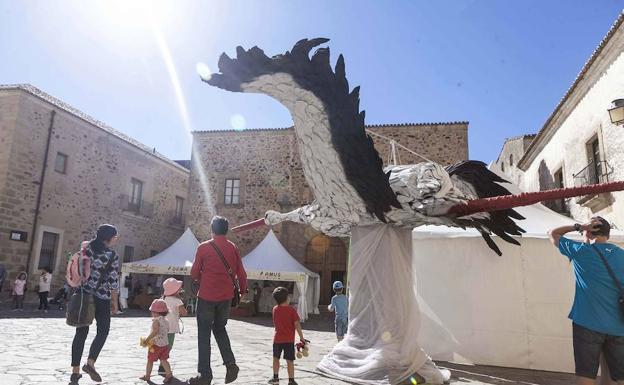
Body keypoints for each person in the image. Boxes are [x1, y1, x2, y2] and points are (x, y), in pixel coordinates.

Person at [548, 217, 624, 385]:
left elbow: (553, 233)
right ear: (608, 235)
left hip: (587, 324)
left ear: (587, 232)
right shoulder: (622, 255)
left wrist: (578, 226)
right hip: (619, 327)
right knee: (617, 376)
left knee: (586, 377)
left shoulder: (580, 250)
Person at [188, 216, 248, 385]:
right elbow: (241, 273)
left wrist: (203, 277)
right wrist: (242, 291)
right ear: (226, 230)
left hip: (206, 295)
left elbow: (193, 273)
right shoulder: (233, 247)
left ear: (212, 229)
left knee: (204, 334)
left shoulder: (203, 248)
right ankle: (230, 364)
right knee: (220, 329)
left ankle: (205, 375)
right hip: (226, 297)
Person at [69, 224, 120, 385]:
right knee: (103, 330)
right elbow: (113, 281)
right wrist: (115, 302)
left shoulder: (86, 248)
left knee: (81, 333)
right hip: (102, 298)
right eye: (115, 236)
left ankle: (75, 372)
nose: (116, 239)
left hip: (84, 294)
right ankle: (90, 363)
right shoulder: (111, 254)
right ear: (109, 237)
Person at [269, 287, 305, 385]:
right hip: (289, 340)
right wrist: (301, 338)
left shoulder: (275, 309)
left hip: (277, 339)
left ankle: (275, 377)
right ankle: (291, 380)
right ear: (287, 298)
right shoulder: (291, 310)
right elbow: (297, 324)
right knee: (290, 360)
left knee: (276, 358)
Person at [140, 298, 173, 383]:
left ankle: (147, 376)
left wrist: (147, 340)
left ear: (156, 312)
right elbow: (167, 330)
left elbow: (155, 332)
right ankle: (169, 374)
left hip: (156, 345)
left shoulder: (156, 321)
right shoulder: (166, 321)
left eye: (152, 311)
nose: (151, 313)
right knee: (164, 360)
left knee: (150, 360)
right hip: (165, 344)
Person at [159, 277, 188, 376]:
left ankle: (162, 364)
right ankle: (163, 367)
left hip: (161, 329)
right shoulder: (177, 301)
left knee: (163, 347)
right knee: (168, 347)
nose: (180, 290)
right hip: (171, 329)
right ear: (175, 290)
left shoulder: (162, 299)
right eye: (179, 288)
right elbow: (184, 313)